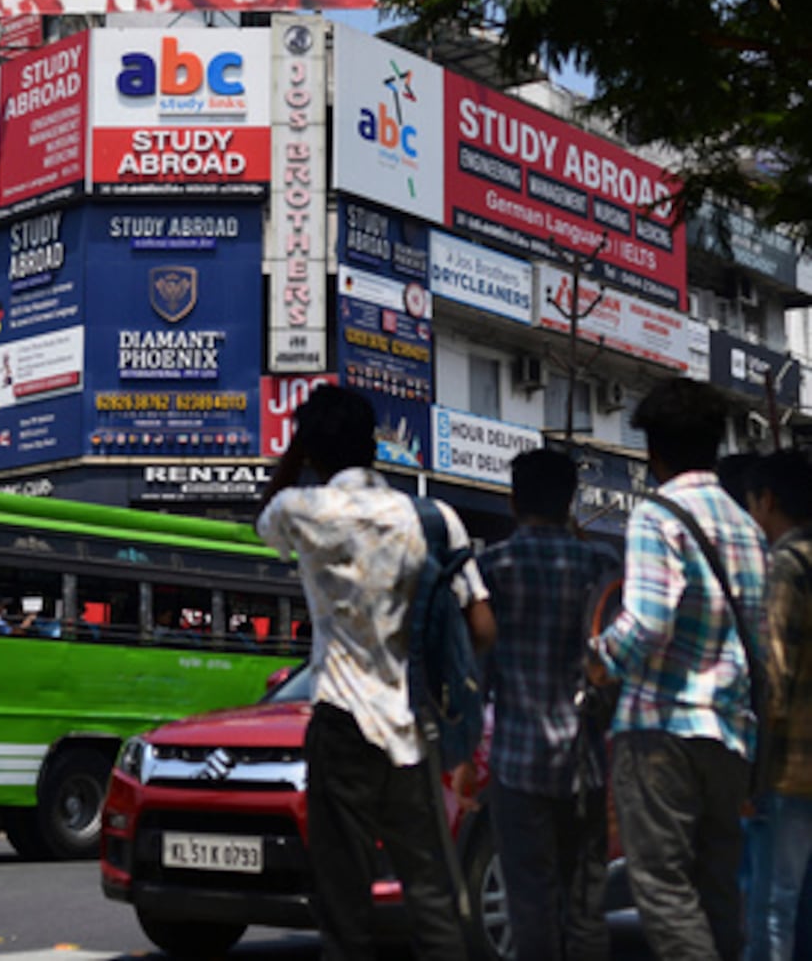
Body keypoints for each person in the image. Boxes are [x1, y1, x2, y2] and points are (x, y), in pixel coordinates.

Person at [256, 384, 495, 961]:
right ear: (374, 445)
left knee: (345, 906)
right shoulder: (434, 518)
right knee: (433, 896)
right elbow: (483, 627)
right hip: (412, 725)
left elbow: (265, 513)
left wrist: (296, 451)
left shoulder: (302, 511)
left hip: (341, 725)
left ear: (311, 451)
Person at [589, 377, 767, 960]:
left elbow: (647, 622)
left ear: (654, 452)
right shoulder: (748, 528)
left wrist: (600, 660)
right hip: (730, 735)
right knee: (719, 892)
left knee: (664, 890)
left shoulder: (656, 516)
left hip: (660, 732)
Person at [474, 447, 618, 961]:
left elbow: (478, 672)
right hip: (586, 762)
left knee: (530, 902)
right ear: (571, 501)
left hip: (517, 763)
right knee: (585, 905)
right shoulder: (601, 564)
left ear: (513, 502)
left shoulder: (492, 568)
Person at [742, 449, 812, 960]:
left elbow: (774, 676)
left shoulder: (787, 567)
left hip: (791, 767)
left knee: (771, 905)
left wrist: (752, 767)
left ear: (767, 500)